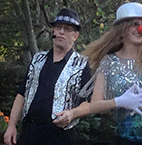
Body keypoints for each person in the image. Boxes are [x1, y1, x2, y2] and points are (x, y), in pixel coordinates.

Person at [57, 2, 142, 145]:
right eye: (134, 24)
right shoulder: (109, 62)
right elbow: (95, 105)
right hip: (127, 139)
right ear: (122, 30)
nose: (140, 28)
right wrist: (120, 101)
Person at [4, 8, 92, 145]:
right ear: (53, 31)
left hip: (59, 135)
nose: (61, 32)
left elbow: (89, 102)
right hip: (29, 132)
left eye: (67, 29)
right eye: (58, 27)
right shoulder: (37, 60)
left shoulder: (81, 64)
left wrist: (72, 113)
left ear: (75, 36)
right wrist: (11, 126)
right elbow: (21, 94)